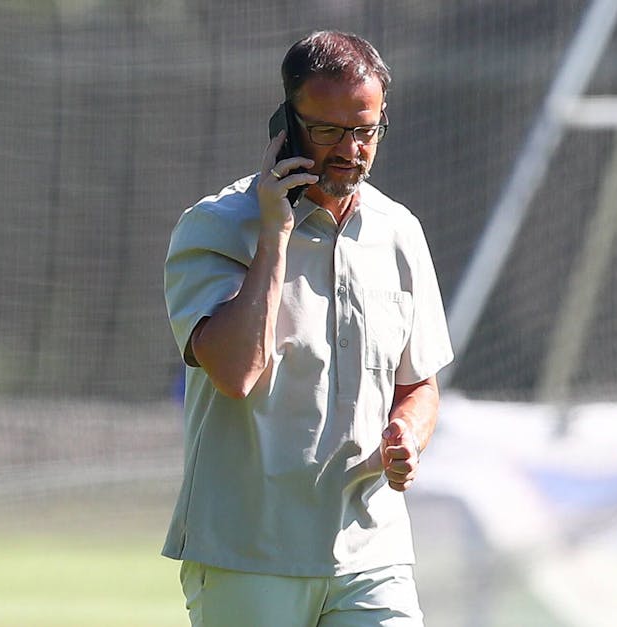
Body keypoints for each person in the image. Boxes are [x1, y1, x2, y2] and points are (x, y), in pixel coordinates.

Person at [161, 30, 453, 627]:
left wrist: (407, 435)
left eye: (365, 130)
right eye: (327, 131)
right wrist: (275, 234)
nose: (350, 150)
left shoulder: (401, 231)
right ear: (285, 126)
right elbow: (237, 372)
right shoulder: (215, 227)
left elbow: (418, 384)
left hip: (373, 551)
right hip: (248, 553)